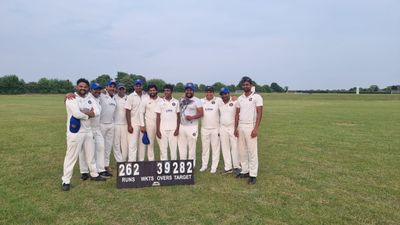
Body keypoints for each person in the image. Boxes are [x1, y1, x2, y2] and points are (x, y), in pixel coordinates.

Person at [61, 78, 106, 191]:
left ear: (88, 88)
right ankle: (66, 181)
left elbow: (97, 111)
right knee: (71, 157)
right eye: (80, 86)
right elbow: (76, 114)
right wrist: (88, 113)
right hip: (75, 132)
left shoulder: (90, 98)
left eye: (85, 87)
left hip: (88, 131)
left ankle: (94, 174)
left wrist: (86, 111)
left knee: (91, 156)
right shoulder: (71, 98)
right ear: (76, 87)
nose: (83, 88)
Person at [78, 82, 112, 180]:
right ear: (90, 89)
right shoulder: (87, 97)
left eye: (99, 89)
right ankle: (84, 172)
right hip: (86, 128)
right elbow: (80, 106)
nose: (97, 91)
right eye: (95, 89)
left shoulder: (99, 97)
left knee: (101, 147)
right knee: (84, 151)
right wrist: (68, 95)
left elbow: (97, 111)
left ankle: (101, 170)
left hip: (96, 128)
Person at [234, 76, 263, 185]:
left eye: (247, 84)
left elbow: (260, 113)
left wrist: (256, 128)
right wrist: (235, 128)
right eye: (244, 84)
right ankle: (245, 171)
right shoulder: (240, 98)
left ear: (251, 85)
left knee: (252, 151)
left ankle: (253, 174)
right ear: (242, 86)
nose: (245, 86)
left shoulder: (257, 97)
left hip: (251, 126)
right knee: (242, 150)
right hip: (241, 126)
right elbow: (237, 114)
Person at [178, 83, 203, 166]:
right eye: (187, 90)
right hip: (182, 126)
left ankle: (191, 166)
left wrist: (192, 117)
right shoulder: (181, 99)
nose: (189, 91)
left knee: (191, 148)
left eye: (190, 90)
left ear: (193, 91)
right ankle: (183, 165)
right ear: (185, 90)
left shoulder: (197, 100)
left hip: (192, 127)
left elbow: (201, 113)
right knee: (182, 147)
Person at [100, 80, 123, 172]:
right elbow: (89, 94)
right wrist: (70, 94)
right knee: (100, 147)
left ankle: (106, 165)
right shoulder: (101, 96)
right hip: (101, 124)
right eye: (110, 86)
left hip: (111, 125)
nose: (112, 88)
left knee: (108, 147)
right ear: (106, 87)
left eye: (113, 87)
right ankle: (99, 167)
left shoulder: (114, 98)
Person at [218, 87, 241, 176]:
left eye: (225, 94)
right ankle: (228, 168)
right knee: (225, 148)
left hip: (232, 127)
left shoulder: (235, 102)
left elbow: (239, 112)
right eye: (222, 94)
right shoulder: (219, 102)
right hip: (223, 127)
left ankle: (237, 167)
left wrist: (236, 128)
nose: (224, 96)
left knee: (234, 147)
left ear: (229, 94)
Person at [125, 79, 148, 162]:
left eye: (140, 85)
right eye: (136, 85)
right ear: (134, 86)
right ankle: (132, 163)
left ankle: (141, 162)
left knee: (142, 145)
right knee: (132, 145)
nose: (138, 87)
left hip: (143, 124)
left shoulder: (146, 95)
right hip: (133, 124)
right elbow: (127, 111)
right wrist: (129, 125)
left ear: (142, 86)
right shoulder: (130, 96)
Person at [199, 86, 221, 173]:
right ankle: (204, 165)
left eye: (210, 92)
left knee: (215, 148)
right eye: (207, 92)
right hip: (204, 128)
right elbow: (190, 101)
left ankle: (214, 166)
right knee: (205, 148)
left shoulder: (218, 100)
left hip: (215, 128)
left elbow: (228, 99)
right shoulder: (201, 101)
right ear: (205, 93)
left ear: (213, 93)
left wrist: (233, 98)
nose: (209, 93)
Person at [155, 84, 180, 160]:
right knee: (163, 150)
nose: (166, 92)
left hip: (173, 129)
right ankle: (164, 167)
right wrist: (158, 130)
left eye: (168, 90)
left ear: (171, 92)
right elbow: (158, 117)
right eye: (165, 90)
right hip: (162, 129)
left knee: (173, 150)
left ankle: (173, 166)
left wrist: (177, 129)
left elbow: (178, 117)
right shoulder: (159, 102)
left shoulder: (176, 102)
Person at [139, 84, 162, 161]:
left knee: (162, 144)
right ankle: (151, 162)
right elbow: (141, 113)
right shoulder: (145, 100)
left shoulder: (161, 100)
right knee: (150, 144)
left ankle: (163, 161)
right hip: (149, 124)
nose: (152, 92)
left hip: (160, 125)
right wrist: (142, 125)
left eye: (154, 90)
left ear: (157, 91)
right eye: (150, 90)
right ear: (148, 91)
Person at [114, 83, 129, 162]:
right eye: (120, 89)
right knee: (116, 144)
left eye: (123, 89)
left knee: (125, 144)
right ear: (117, 89)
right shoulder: (113, 97)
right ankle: (119, 161)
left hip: (125, 124)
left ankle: (124, 160)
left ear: (125, 89)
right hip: (115, 124)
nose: (121, 90)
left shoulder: (129, 98)